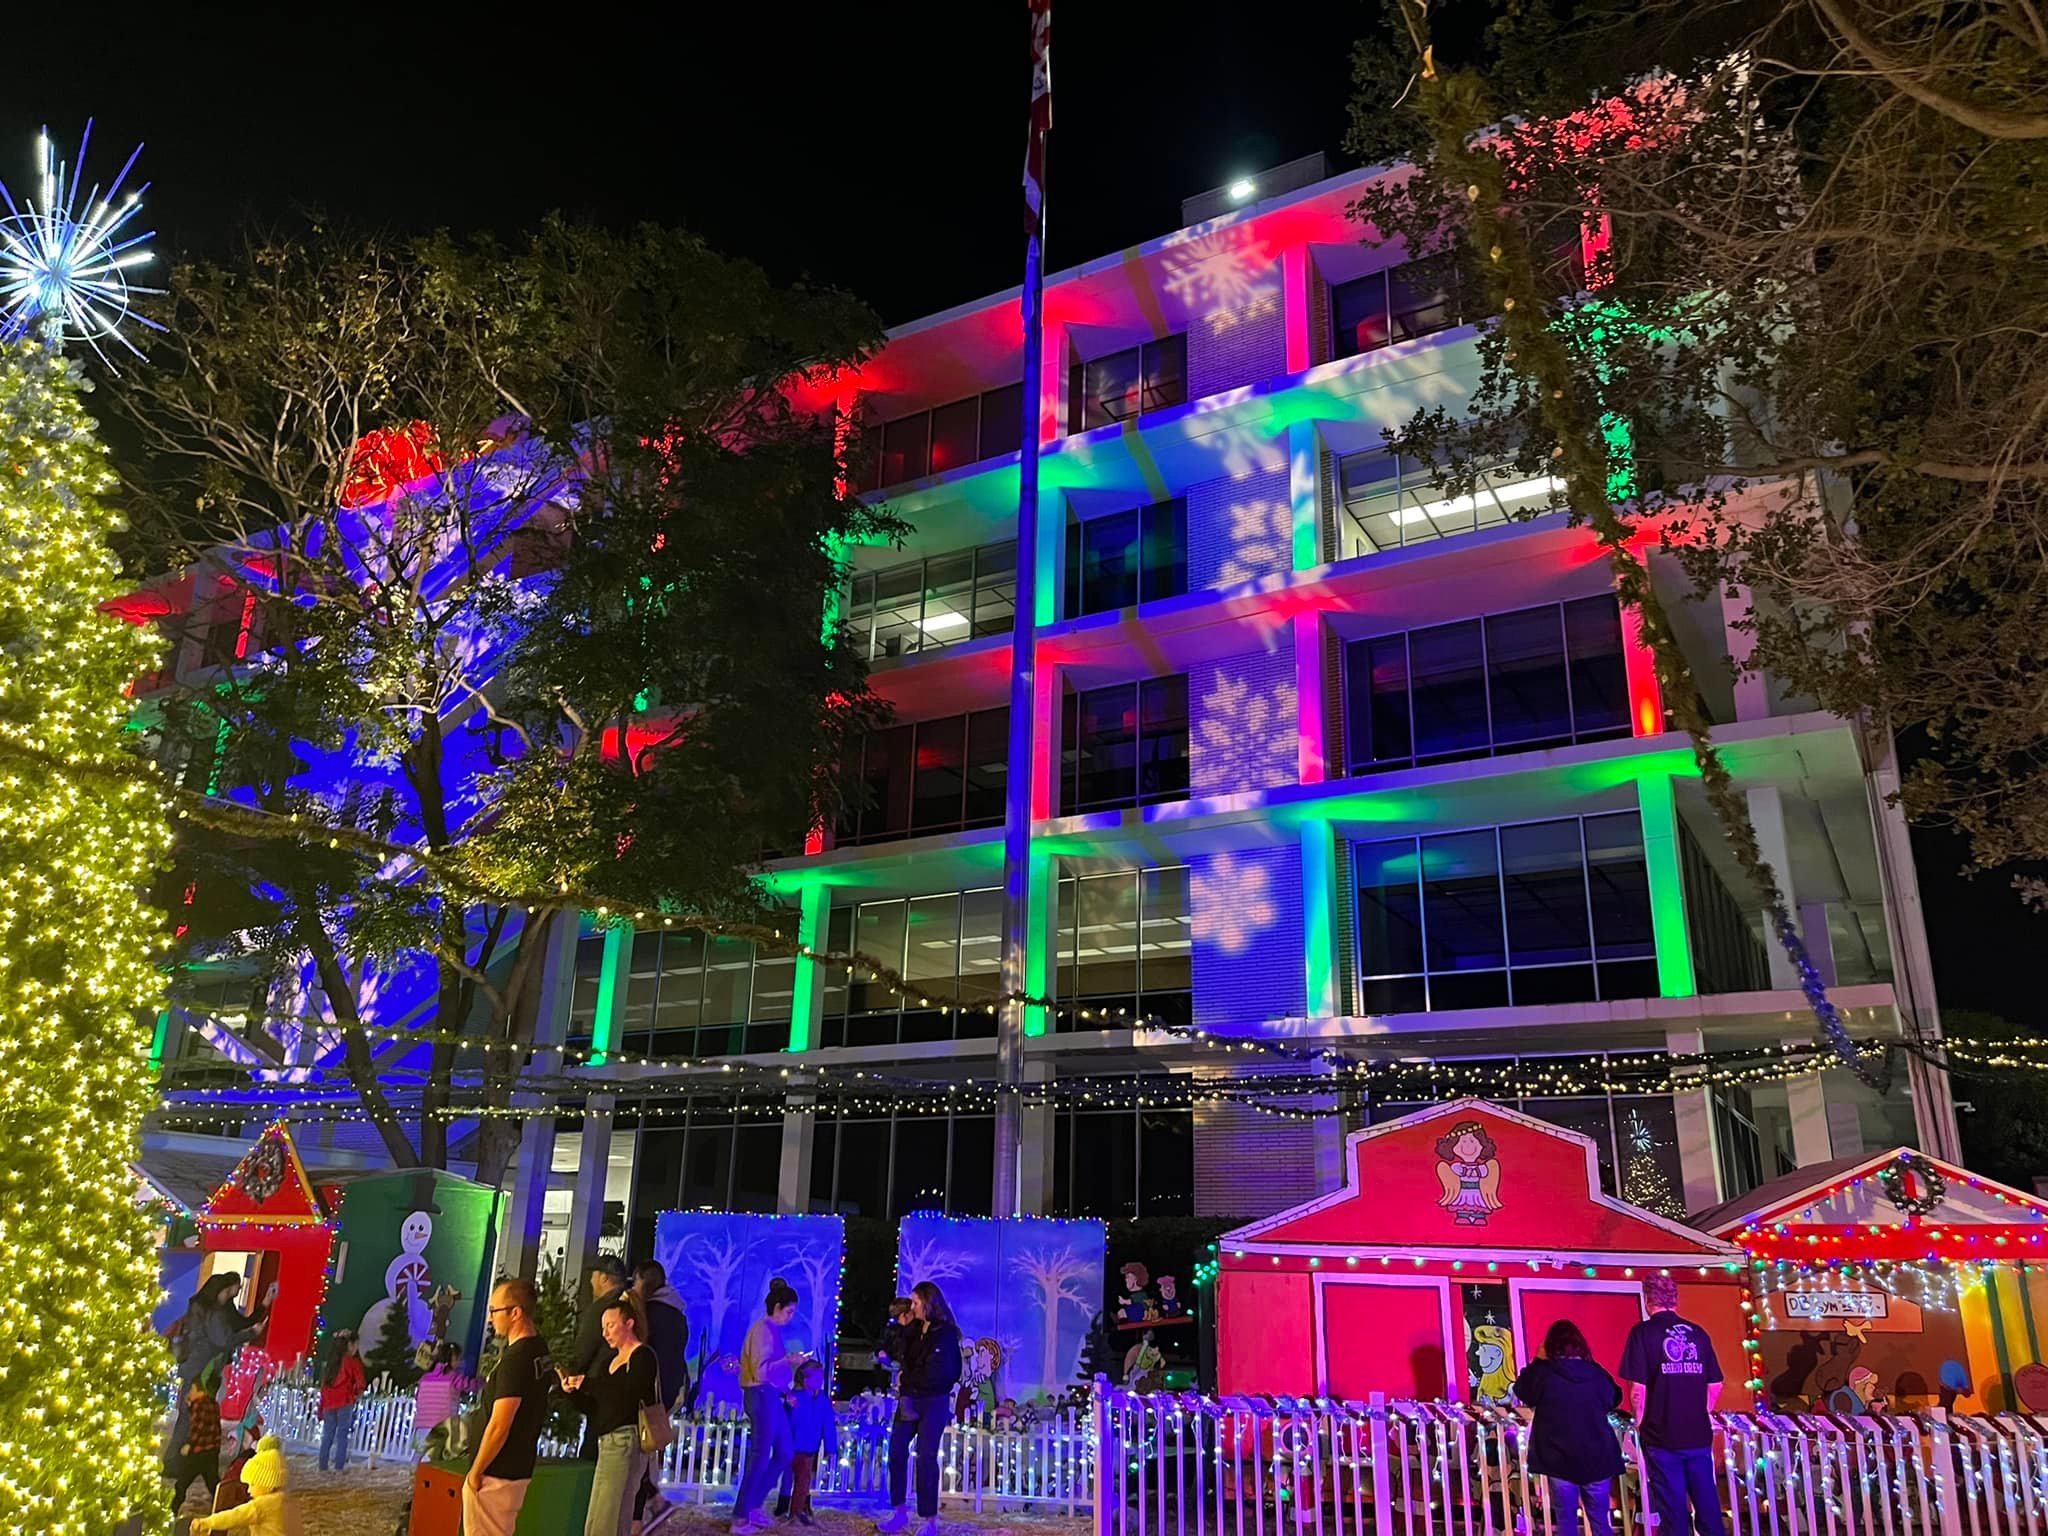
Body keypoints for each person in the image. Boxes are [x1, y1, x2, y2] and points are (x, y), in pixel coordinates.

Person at [1619, 1274, 1726, 1536]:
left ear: (1647, 1300)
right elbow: (1716, 1385)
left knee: (1673, 1508)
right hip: (1698, 1435)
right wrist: (1703, 1412)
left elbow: (1638, 1391)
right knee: (1708, 1504)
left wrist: (1639, 1423)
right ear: (1675, 1299)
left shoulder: (1642, 1333)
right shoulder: (1699, 1334)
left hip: (1661, 1436)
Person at [561, 1290, 661, 1536]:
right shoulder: (611, 1362)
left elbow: (626, 1394)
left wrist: (588, 1383)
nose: (605, 1333)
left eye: (610, 1326)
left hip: (625, 1440)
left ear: (629, 1323)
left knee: (607, 1516)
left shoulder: (642, 1357)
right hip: (606, 1440)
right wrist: (572, 1392)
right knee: (603, 1514)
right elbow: (595, 1406)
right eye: (603, 1327)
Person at [1512, 1320, 1624, 1536]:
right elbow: (1614, 1396)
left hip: (1559, 1459)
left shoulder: (1544, 1374)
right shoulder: (1595, 1373)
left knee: (1566, 1521)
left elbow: (1522, 1390)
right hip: (1598, 1457)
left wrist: (1538, 1360)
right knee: (1601, 1521)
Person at [466, 1279, 553, 1536]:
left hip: (497, 1472)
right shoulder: (538, 1348)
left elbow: (500, 1424)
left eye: (494, 1311)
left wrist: (476, 1470)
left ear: (516, 1313)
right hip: (516, 1465)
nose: (490, 1319)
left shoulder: (517, 1359)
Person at [878, 1280, 962, 1536]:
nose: (912, 1306)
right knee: (896, 1451)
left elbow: (946, 1373)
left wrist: (908, 1379)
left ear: (928, 1302)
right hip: (909, 1399)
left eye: (916, 1302)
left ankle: (929, 1520)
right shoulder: (912, 1330)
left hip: (934, 1401)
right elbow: (898, 1354)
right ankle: (900, 1512)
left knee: (926, 1456)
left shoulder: (945, 1334)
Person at [731, 1277, 806, 1536]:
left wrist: (785, 1393)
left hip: (771, 1395)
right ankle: (740, 1515)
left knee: (784, 1451)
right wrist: (789, 1361)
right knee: (760, 1454)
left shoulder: (771, 1329)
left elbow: (770, 1372)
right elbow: (762, 1371)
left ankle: (752, 1505)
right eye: (789, 1311)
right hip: (760, 1394)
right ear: (777, 1306)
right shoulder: (763, 1330)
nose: (791, 1316)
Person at [170, 1272, 273, 1451]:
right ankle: (182, 1458)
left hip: (199, 1366)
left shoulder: (208, 1307)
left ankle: (187, 1455)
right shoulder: (213, 1311)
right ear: (225, 1290)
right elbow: (223, 1339)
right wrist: (252, 1333)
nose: (237, 1290)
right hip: (202, 1367)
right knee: (193, 1414)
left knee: (193, 1413)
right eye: (234, 1288)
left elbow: (238, 1324)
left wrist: (263, 1306)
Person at [632, 1259, 690, 1531]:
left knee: (636, 1448)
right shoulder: (677, 1313)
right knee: (647, 1449)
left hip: (650, 1388)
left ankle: (650, 1503)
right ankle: (651, 1502)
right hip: (670, 1387)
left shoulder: (648, 1313)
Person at [569, 1255, 632, 1456]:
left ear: (604, 1278)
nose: (590, 1282)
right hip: (625, 1392)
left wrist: (570, 1378)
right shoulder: (633, 1304)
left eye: (594, 1276)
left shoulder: (602, 1308)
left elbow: (584, 1348)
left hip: (599, 1388)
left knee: (592, 1452)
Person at [189, 1434, 300, 1535]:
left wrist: (205, 1523)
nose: (248, 1490)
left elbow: (234, 1516)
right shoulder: (287, 1500)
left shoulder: (261, 1506)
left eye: (252, 1485)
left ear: (268, 1484)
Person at [785, 1359, 838, 1527]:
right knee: (795, 1479)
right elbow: (788, 1421)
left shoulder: (822, 1400)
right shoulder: (795, 1398)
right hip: (793, 1445)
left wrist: (831, 1446)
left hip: (809, 1447)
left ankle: (798, 1509)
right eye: (816, 1377)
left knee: (803, 1479)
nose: (820, 1380)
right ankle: (793, 1509)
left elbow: (828, 1424)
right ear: (805, 1379)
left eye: (820, 1377)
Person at [169, 1359, 226, 1517]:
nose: (189, 1393)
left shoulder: (199, 1405)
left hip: (199, 1451)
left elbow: (198, 1428)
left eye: (191, 1390)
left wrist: (189, 1445)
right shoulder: (212, 1404)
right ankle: (221, 1508)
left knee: (182, 1482)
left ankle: (173, 1509)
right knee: (213, 1483)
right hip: (212, 1450)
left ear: (197, 1390)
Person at [316, 1330, 367, 1474]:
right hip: (344, 1401)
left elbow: (324, 1386)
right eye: (356, 1345)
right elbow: (361, 1383)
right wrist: (355, 1395)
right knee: (342, 1435)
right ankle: (339, 1467)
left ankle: (322, 1466)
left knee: (327, 1435)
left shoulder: (331, 1363)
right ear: (349, 1345)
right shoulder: (352, 1362)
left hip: (329, 1403)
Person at [413, 1341, 472, 1451]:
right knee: (435, 1459)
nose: (459, 1363)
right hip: (441, 1426)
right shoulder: (454, 1377)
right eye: (458, 1359)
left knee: (419, 1455)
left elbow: (417, 1396)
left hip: (422, 1424)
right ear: (452, 1359)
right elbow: (468, 1385)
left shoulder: (425, 1378)